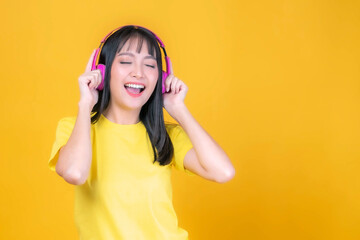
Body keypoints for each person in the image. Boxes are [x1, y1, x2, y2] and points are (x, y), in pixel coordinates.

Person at [48, 25, 235, 240]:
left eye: (149, 65)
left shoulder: (164, 135)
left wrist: (178, 108)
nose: (138, 72)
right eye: (126, 62)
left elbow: (223, 172)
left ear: (161, 78)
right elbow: (74, 173)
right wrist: (85, 103)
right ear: (101, 71)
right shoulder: (76, 129)